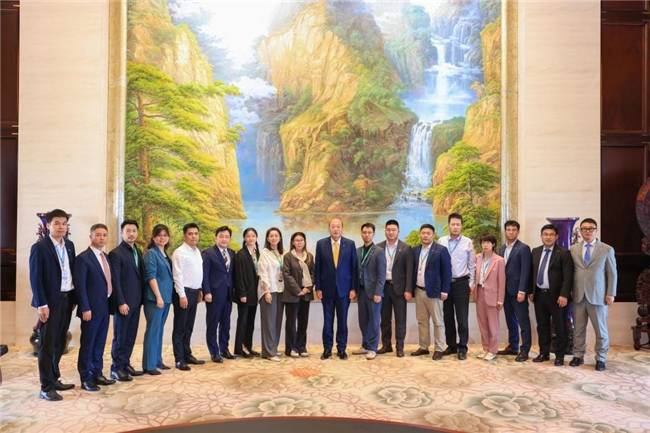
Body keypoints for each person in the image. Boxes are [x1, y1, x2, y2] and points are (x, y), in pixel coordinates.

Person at [29, 209, 76, 401]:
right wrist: (41, 304)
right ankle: (46, 387)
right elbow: (36, 278)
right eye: (57, 223)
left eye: (64, 223)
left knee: (59, 342)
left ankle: (55, 378)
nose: (61, 227)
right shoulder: (39, 247)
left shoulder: (70, 245)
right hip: (49, 302)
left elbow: (72, 271)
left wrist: (74, 299)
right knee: (47, 345)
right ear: (48, 225)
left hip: (67, 299)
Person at [569, 218, 618, 371]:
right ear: (580, 231)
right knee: (578, 329)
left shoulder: (607, 249)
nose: (587, 231)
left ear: (596, 230)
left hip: (598, 296)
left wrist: (611, 293)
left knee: (601, 330)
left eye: (591, 228)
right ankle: (578, 355)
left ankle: (601, 358)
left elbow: (612, 273)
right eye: (584, 228)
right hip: (578, 295)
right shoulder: (573, 249)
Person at [75, 223, 116, 391]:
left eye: (104, 235)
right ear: (91, 236)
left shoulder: (105, 256)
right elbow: (80, 286)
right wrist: (85, 308)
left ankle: (97, 373)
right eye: (98, 235)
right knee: (88, 344)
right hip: (90, 310)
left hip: (104, 307)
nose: (101, 238)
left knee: (100, 343)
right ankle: (86, 378)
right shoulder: (83, 258)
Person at [314, 218, 358, 360]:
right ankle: (327, 349)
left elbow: (354, 268)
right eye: (333, 226)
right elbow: (317, 268)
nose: (335, 229)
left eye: (338, 226)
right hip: (326, 290)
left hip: (344, 290)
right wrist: (318, 288)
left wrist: (353, 289)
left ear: (342, 228)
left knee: (342, 321)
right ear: (329, 228)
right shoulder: (321, 244)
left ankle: (341, 349)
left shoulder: (350, 244)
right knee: (327, 322)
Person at [530, 224, 574, 366]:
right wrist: (531, 291)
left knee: (560, 327)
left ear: (556, 237)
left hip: (557, 297)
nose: (548, 237)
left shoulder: (564, 253)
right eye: (545, 234)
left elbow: (568, 276)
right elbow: (532, 273)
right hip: (539, 295)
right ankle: (544, 353)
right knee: (542, 326)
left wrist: (564, 295)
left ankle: (560, 356)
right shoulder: (535, 251)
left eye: (551, 234)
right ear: (541, 236)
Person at [109, 219, 145, 381]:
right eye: (128, 231)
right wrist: (121, 302)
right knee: (121, 336)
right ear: (122, 233)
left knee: (131, 335)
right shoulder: (116, 253)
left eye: (134, 231)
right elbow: (115, 281)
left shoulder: (137, 251)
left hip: (136, 302)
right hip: (123, 303)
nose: (131, 234)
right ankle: (116, 368)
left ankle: (125, 364)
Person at [411, 224, 452, 361]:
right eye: (423, 233)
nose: (425, 235)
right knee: (422, 321)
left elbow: (447, 272)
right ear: (420, 234)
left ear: (433, 235)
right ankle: (424, 347)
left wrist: (445, 290)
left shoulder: (441, 250)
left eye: (428, 233)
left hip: (435, 292)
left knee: (438, 322)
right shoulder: (415, 250)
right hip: (419, 290)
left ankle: (440, 348)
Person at [438, 213, 475, 360]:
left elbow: (472, 265)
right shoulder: (441, 241)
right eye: (453, 224)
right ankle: (451, 345)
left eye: (458, 224)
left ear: (461, 226)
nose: (455, 227)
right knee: (447, 317)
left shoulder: (467, 242)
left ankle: (462, 347)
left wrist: (471, 283)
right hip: (446, 284)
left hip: (461, 283)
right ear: (448, 225)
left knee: (462, 318)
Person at [497, 220, 533, 362]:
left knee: (523, 321)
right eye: (508, 229)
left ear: (518, 232)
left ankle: (525, 350)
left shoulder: (523, 248)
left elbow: (526, 271)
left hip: (518, 291)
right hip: (505, 291)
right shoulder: (501, 249)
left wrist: (522, 290)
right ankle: (513, 346)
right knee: (510, 320)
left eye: (514, 230)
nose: (511, 232)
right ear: (505, 231)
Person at [376, 219, 413, 357]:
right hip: (383, 288)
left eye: (393, 230)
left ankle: (400, 347)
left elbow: (409, 271)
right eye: (388, 230)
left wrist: (408, 289)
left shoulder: (406, 248)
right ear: (385, 231)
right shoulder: (378, 247)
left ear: (398, 231)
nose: (391, 232)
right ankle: (386, 345)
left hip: (400, 289)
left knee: (400, 319)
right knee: (384, 319)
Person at [171, 223, 205, 371]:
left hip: (194, 292)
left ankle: (187, 354)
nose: (193, 236)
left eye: (196, 233)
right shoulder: (179, 252)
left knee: (189, 326)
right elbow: (177, 275)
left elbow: (197, 273)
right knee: (180, 327)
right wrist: (182, 295)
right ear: (185, 235)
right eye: (190, 234)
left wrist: (200, 290)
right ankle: (179, 359)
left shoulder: (196, 251)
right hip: (183, 293)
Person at [142, 224, 173, 375]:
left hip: (166, 298)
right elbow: (151, 276)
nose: (162, 238)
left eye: (165, 235)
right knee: (153, 331)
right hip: (155, 299)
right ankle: (149, 365)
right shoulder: (151, 254)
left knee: (159, 331)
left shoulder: (164, 254)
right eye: (159, 235)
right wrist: (158, 297)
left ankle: (157, 360)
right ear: (153, 238)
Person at [202, 226, 236, 363]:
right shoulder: (208, 253)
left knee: (226, 324)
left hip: (228, 294)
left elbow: (232, 274)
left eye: (227, 237)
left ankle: (224, 349)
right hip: (214, 294)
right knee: (212, 324)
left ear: (229, 238)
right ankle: (214, 352)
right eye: (221, 236)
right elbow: (204, 274)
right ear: (216, 237)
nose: (224, 239)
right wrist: (207, 291)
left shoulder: (232, 253)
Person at [353, 223, 386, 360]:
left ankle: (372, 348)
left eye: (369, 232)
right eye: (364, 232)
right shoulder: (357, 251)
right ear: (361, 234)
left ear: (373, 234)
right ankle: (365, 345)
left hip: (374, 293)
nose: (366, 235)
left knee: (374, 321)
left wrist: (378, 292)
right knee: (363, 320)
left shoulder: (379, 251)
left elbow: (382, 275)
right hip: (361, 291)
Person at [473, 234, 506, 361]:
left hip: (493, 296)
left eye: (488, 242)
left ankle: (493, 350)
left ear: (493, 244)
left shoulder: (499, 260)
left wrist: (500, 299)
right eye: (483, 242)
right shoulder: (477, 258)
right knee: (482, 324)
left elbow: (502, 282)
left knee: (493, 325)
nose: (485, 245)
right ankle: (485, 348)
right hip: (479, 293)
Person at [282, 232, 315, 358]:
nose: (299, 242)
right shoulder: (288, 256)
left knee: (303, 322)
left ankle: (301, 346)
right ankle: (291, 348)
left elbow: (313, 274)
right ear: (292, 242)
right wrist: (298, 290)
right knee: (291, 323)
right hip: (292, 294)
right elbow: (287, 275)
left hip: (306, 294)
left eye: (301, 240)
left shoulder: (309, 256)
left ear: (304, 242)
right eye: (296, 240)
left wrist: (307, 288)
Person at [257, 227, 284, 361]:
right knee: (269, 322)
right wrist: (266, 291)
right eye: (271, 236)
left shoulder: (281, 253)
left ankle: (273, 348)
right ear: (267, 238)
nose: (274, 238)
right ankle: (268, 352)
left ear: (280, 238)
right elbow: (263, 273)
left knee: (277, 321)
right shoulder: (264, 253)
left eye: (276, 235)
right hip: (269, 291)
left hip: (280, 290)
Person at [234, 228, 261, 358]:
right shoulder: (241, 254)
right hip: (245, 294)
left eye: (253, 236)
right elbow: (238, 276)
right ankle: (239, 348)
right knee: (243, 322)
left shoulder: (258, 253)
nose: (251, 238)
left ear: (256, 238)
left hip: (255, 293)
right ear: (244, 238)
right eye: (248, 236)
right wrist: (242, 294)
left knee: (251, 322)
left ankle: (248, 347)